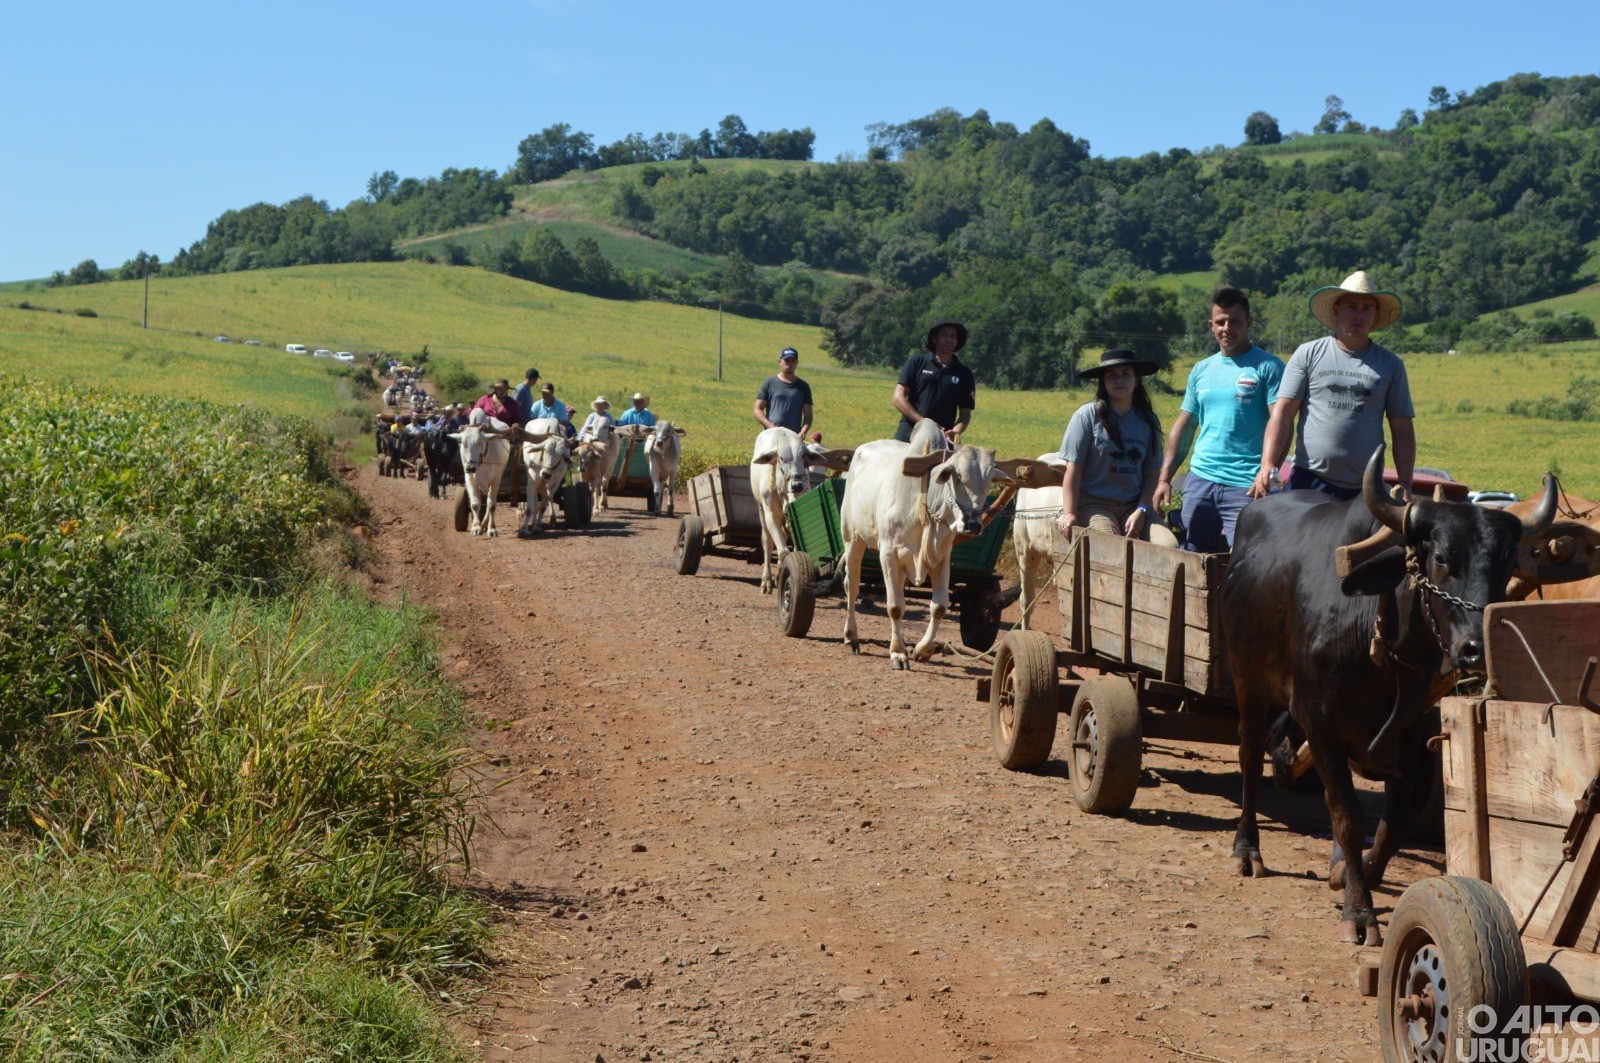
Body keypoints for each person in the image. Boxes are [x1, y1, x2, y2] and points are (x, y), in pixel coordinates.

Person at [1254, 270, 1414, 501]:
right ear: (1336, 309)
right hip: (1310, 478)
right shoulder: (1308, 354)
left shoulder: (1391, 364)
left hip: (1365, 486)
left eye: (1366, 308)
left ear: (1376, 314)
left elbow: (1402, 429)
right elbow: (1283, 414)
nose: (1358, 315)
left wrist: (1405, 482)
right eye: (1351, 306)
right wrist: (1267, 464)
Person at [1153, 288, 1283, 552]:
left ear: (1248, 322)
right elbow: (1186, 425)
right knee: (1193, 554)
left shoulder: (1269, 367)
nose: (1227, 328)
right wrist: (1164, 478)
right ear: (1211, 325)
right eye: (1221, 322)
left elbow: (1281, 422)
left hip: (1247, 484)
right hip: (1201, 479)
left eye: (1235, 321)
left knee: (1247, 558)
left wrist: (1268, 472)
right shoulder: (1201, 369)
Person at [1055, 350, 1179, 547]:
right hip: (1095, 505)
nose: (1119, 380)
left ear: (1136, 381)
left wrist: (1142, 509)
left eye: (1126, 374)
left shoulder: (1148, 420)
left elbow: (1152, 473)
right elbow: (1074, 469)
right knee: (1111, 545)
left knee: (1169, 546)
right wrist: (1069, 513)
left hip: (1134, 506)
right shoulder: (1087, 415)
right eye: (1111, 375)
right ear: (1103, 382)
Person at [893, 319, 975, 446]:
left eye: (953, 336)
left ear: (957, 341)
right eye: (944, 335)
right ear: (934, 339)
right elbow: (898, 398)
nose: (949, 339)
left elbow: (965, 414)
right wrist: (925, 424)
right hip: (907, 437)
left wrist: (955, 431)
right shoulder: (917, 361)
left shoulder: (965, 373)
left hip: (941, 441)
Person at [754, 347, 813, 437]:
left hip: (794, 436)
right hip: (771, 435)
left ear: (797, 363)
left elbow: (808, 415)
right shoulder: (769, 383)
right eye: (787, 360)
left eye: (793, 360)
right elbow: (757, 409)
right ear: (780, 362)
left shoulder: (803, 386)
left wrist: (803, 432)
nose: (789, 363)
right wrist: (770, 427)